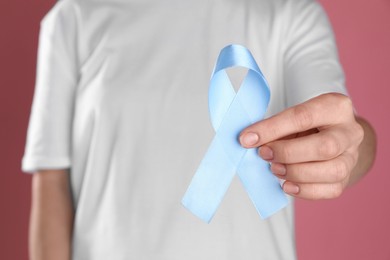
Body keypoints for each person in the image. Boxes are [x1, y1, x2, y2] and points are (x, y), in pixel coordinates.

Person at [22, 0, 376, 259]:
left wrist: (347, 148)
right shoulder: (73, 17)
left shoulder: (289, 12)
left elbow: (339, 128)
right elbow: (52, 180)